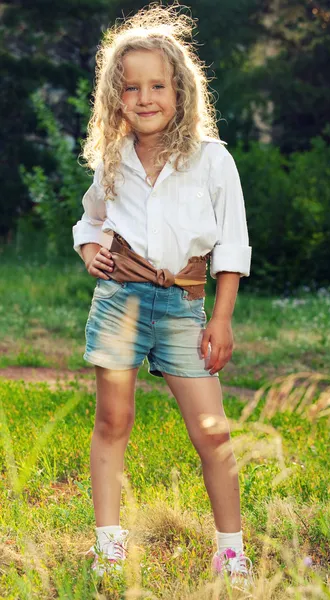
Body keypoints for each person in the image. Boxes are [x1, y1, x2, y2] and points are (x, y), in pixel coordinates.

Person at [72, 3, 253, 589]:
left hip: (183, 307)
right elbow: (88, 221)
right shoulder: (112, 159)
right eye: (131, 88)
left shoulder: (210, 159)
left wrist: (220, 320)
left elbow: (232, 246)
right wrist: (89, 252)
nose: (144, 97)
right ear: (115, 97)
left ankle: (231, 553)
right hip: (119, 302)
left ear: (180, 89)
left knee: (212, 430)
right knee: (113, 419)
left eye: (157, 85)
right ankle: (109, 548)